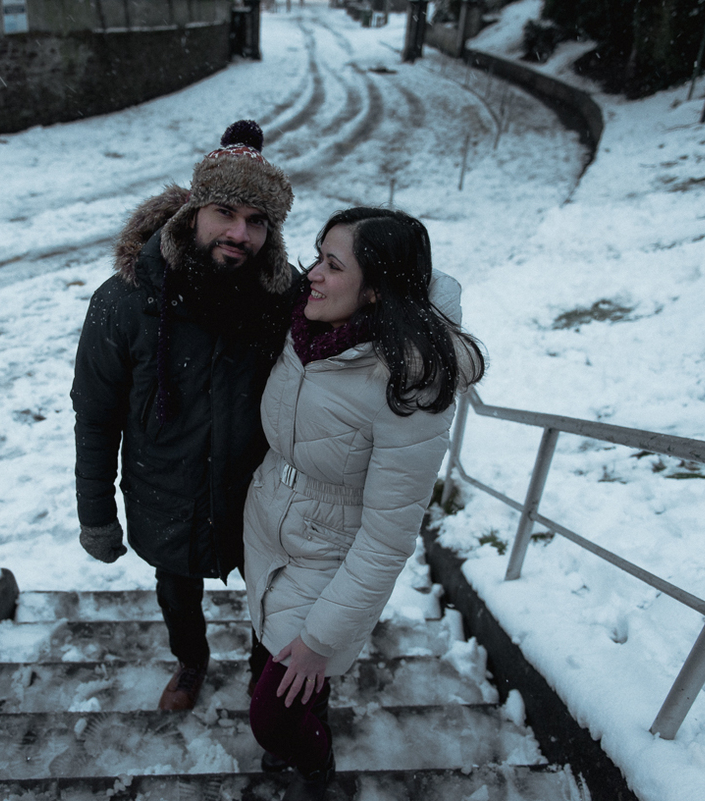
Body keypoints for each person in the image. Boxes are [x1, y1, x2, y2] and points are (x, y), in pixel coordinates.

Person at [242, 208, 486, 800]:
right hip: (268, 526)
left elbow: (388, 538)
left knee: (274, 712)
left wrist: (325, 637)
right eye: (316, 256)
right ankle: (299, 732)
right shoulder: (306, 329)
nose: (312, 276)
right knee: (265, 655)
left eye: (332, 264)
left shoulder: (409, 383)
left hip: (331, 555)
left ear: (374, 289)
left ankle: (316, 764)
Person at [71, 120, 297, 711]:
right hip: (163, 489)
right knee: (176, 589)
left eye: (256, 220)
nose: (239, 232)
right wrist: (96, 514)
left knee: (273, 598)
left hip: (262, 495)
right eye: (225, 211)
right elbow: (95, 415)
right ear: (193, 210)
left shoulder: (287, 303)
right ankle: (191, 662)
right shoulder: (124, 299)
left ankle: (263, 682)